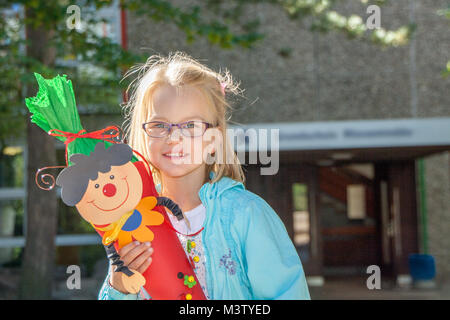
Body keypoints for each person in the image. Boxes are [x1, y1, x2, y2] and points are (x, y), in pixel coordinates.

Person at [98, 51, 310, 300]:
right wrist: (119, 287)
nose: (174, 137)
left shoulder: (246, 215)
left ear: (213, 139)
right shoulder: (133, 220)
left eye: (190, 126)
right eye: (159, 125)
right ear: (144, 135)